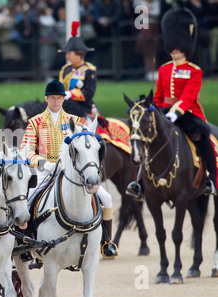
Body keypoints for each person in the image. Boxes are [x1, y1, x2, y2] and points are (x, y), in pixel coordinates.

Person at [20, 80, 117, 258]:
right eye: (52, 98)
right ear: (46, 99)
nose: (56, 101)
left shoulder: (74, 120)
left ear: (63, 99)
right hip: (45, 169)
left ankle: (106, 242)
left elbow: (86, 144)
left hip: (71, 170)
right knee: (27, 203)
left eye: (59, 98)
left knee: (107, 198)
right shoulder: (36, 122)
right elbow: (25, 150)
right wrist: (41, 163)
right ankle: (27, 243)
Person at [127, 8, 217, 198]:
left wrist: (175, 113)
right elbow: (159, 95)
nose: (175, 49)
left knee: (204, 138)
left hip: (189, 113)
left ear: (185, 45)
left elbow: (188, 96)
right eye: (173, 46)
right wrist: (154, 109)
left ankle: (212, 179)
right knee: (147, 138)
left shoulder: (195, 70)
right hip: (164, 112)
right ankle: (139, 183)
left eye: (178, 46)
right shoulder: (164, 69)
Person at [58, 23, 117, 257]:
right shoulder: (65, 70)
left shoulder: (89, 69)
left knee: (95, 143)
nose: (66, 55)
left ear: (77, 54)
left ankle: (107, 242)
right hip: (67, 110)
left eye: (68, 52)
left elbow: (88, 94)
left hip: (85, 111)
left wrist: (71, 94)